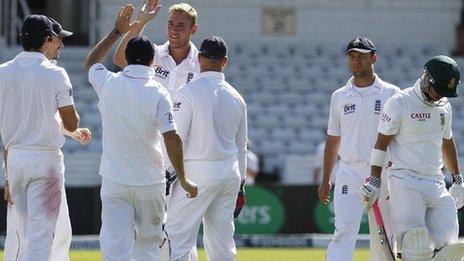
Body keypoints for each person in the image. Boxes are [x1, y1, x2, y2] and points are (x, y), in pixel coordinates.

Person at [84, 4, 198, 260]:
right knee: (148, 246)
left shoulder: (109, 83)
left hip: (116, 178)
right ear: (151, 60)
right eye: (171, 24)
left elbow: (93, 61)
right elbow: (171, 136)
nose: (173, 30)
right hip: (151, 178)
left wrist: (117, 30)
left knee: (115, 246)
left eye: (180, 25)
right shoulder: (158, 92)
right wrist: (184, 176)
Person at [0, 14, 87, 260]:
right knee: (41, 236)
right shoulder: (56, 74)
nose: (61, 45)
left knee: (22, 232)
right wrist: (73, 126)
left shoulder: (2, 72)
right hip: (45, 162)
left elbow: (15, 125)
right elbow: (71, 120)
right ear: (47, 39)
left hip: (15, 162)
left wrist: (7, 175)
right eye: (58, 40)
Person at [361, 55, 464, 260]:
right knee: (415, 246)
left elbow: (447, 141)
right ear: (427, 79)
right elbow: (381, 143)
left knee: (451, 248)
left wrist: (457, 178)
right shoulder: (400, 103)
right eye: (439, 90)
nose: (440, 97)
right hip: (405, 181)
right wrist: (374, 180)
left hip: (436, 181)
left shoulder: (444, 105)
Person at [317, 37, 401, 261]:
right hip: (349, 172)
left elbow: (401, 136)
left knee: (384, 234)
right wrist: (326, 179)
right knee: (343, 230)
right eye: (352, 57)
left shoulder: (392, 93)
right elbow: (333, 139)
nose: (356, 61)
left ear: (373, 58)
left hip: (382, 172)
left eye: (361, 56)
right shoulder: (339, 96)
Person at [165, 36, 247, 261]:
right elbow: (241, 148)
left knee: (178, 235)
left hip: (196, 174)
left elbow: (175, 137)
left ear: (199, 58)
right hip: (230, 174)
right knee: (222, 243)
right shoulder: (237, 97)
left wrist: (167, 172)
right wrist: (240, 186)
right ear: (225, 61)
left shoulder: (187, 91)